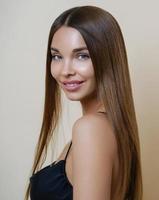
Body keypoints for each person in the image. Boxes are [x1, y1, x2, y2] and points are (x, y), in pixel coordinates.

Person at [24, 5, 143, 200]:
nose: (65, 70)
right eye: (57, 56)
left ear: (107, 58)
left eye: (82, 56)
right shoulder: (108, 128)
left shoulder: (90, 129)